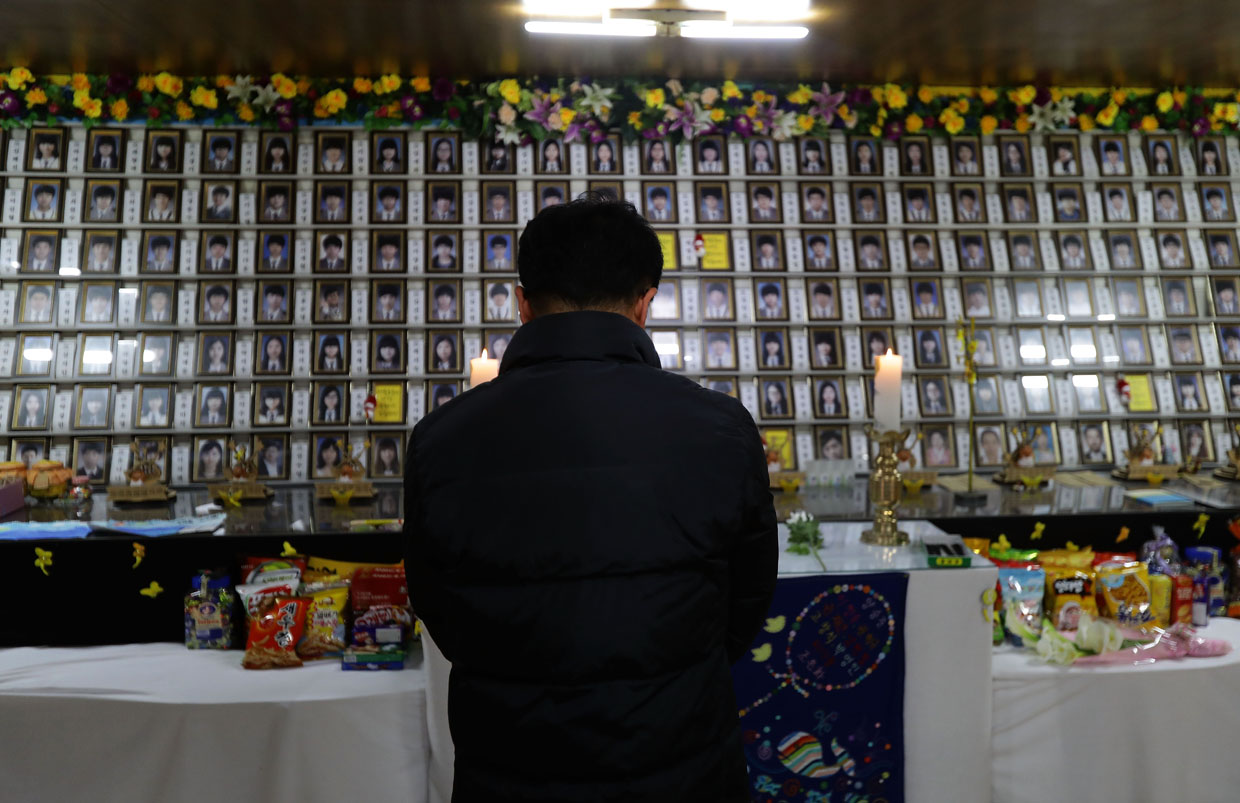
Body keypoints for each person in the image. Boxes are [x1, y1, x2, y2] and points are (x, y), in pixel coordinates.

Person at [403, 195, 776, 802]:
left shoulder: (442, 439)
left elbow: (438, 603)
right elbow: (747, 599)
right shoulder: (721, 428)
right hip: (679, 761)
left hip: (511, 765)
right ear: (645, 302)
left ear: (522, 301)